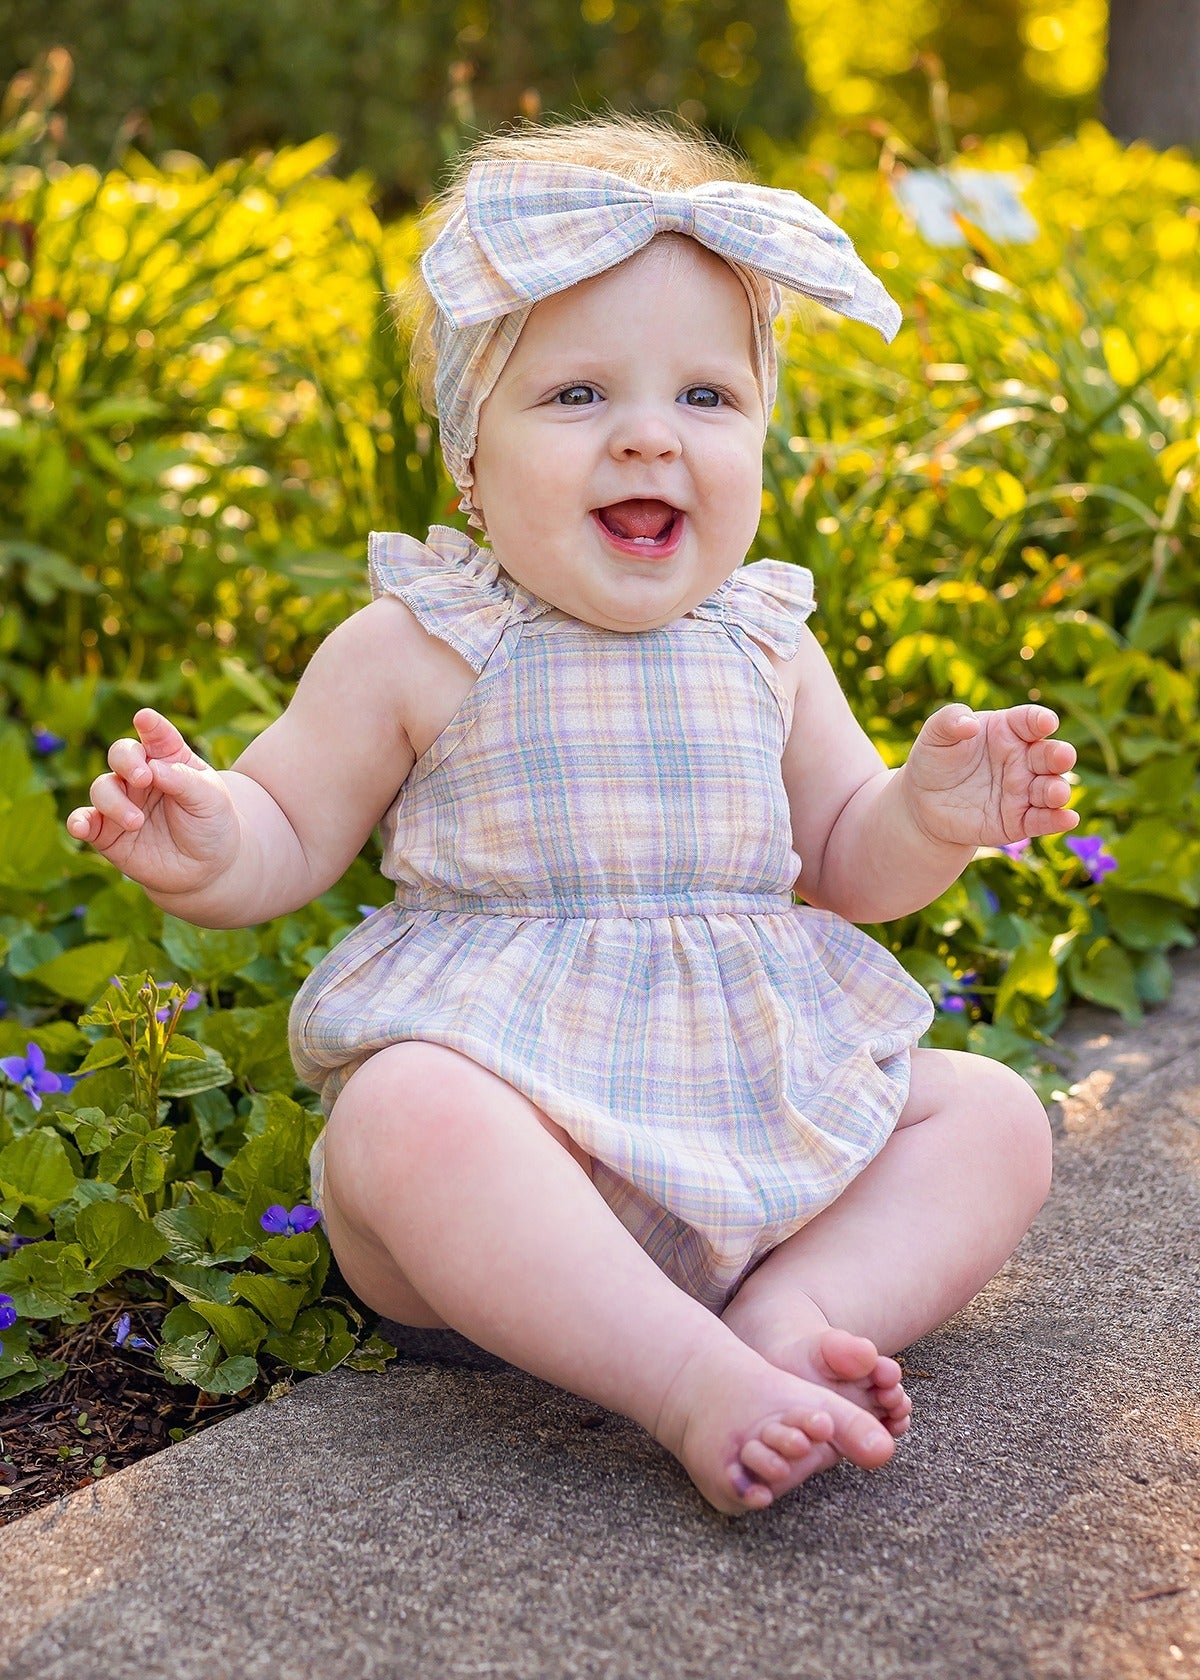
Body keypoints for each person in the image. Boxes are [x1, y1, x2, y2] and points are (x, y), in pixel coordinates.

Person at [65, 113, 1076, 1519]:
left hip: (753, 1133)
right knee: (401, 1116)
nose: (650, 436)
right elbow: (289, 827)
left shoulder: (767, 642)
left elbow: (848, 859)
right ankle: (685, 1379)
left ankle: (795, 1317)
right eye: (580, 396)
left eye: (707, 400)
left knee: (991, 1119)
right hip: (511, 1191)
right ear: (471, 462)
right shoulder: (423, 641)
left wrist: (928, 809)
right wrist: (214, 839)